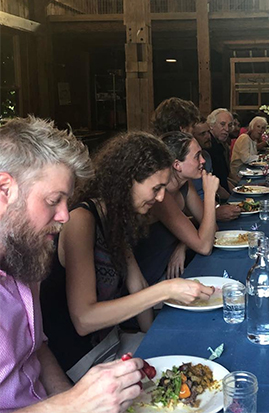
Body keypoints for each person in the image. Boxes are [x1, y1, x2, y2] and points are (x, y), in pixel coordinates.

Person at [41, 132, 213, 381]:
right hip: (85, 362)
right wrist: (165, 290)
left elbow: (137, 285)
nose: (162, 197)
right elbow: (84, 318)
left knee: (195, 357)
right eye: (156, 188)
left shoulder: (114, 219)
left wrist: (156, 340)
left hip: (116, 343)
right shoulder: (81, 220)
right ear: (127, 181)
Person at [0, 116, 144, 413]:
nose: (65, 215)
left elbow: (37, 350)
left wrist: (75, 401)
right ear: (5, 190)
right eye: (54, 200)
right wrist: (71, 405)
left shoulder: (24, 260)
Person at [143, 131, 220, 281]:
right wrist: (210, 194)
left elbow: (212, 228)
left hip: (174, 269)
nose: (203, 161)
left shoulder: (185, 185)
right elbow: (205, 247)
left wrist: (183, 244)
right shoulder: (161, 196)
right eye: (197, 156)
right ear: (177, 165)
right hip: (153, 277)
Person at [192, 119, 240, 222]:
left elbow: (218, 186)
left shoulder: (207, 156)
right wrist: (215, 211)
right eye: (202, 134)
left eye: (208, 132)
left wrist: (234, 201)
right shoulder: (188, 166)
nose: (208, 136)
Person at [207, 108, 233, 192]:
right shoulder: (209, 146)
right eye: (222, 124)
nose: (227, 129)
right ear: (211, 125)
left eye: (229, 125)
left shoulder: (220, 145)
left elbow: (223, 178)